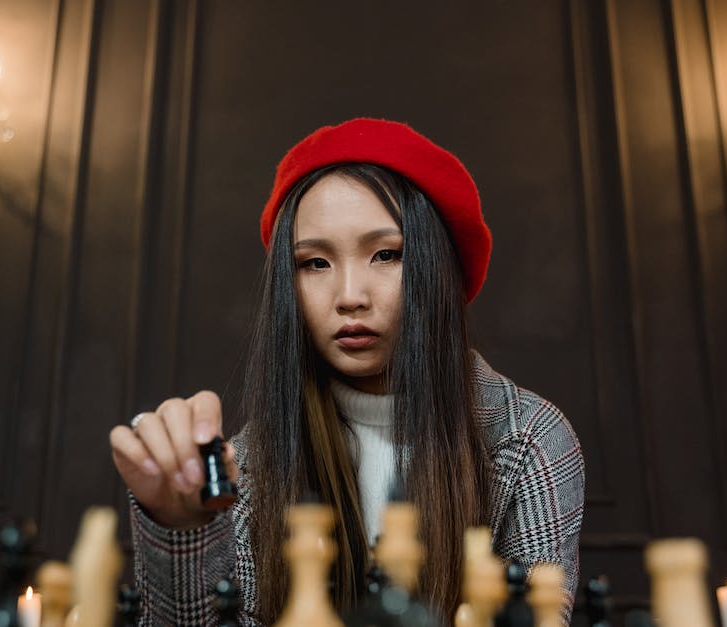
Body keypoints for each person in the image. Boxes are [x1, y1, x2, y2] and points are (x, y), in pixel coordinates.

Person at [109, 118, 585, 625]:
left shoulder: (529, 439)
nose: (350, 296)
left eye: (387, 254)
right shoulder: (248, 464)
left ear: (437, 268)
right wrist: (182, 530)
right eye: (314, 263)